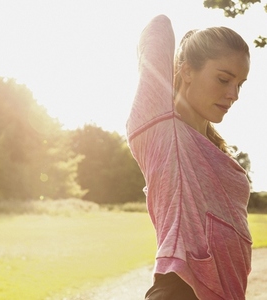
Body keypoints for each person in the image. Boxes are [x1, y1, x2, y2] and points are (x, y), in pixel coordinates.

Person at [126, 15, 252, 299]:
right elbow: (158, 27)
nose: (233, 94)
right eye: (223, 79)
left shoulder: (221, 154)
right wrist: (191, 40)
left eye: (240, 84)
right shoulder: (161, 132)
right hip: (182, 290)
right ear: (186, 71)